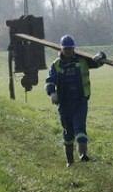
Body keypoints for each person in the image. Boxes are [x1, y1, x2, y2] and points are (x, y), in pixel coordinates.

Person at [45, 35, 106, 166]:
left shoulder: (83, 61)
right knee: (68, 132)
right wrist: (52, 93)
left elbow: (100, 61)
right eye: (65, 49)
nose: (68, 51)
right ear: (61, 49)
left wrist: (100, 55)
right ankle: (70, 162)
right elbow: (49, 81)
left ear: (74, 48)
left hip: (80, 102)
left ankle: (83, 154)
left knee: (80, 128)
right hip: (64, 104)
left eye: (70, 48)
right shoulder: (56, 65)